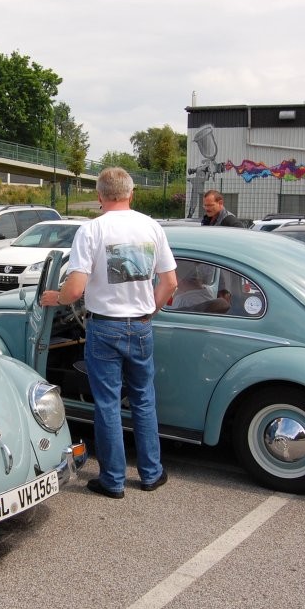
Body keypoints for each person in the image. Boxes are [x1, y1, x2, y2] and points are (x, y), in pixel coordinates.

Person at [40, 167, 177, 499]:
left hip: (104, 327)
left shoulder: (91, 230)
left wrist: (56, 297)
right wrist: (149, 310)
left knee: (108, 404)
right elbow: (170, 282)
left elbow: (75, 289)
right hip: (141, 325)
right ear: (131, 194)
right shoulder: (152, 226)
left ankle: (113, 480)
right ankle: (151, 473)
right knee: (143, 399)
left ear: (99, 196)